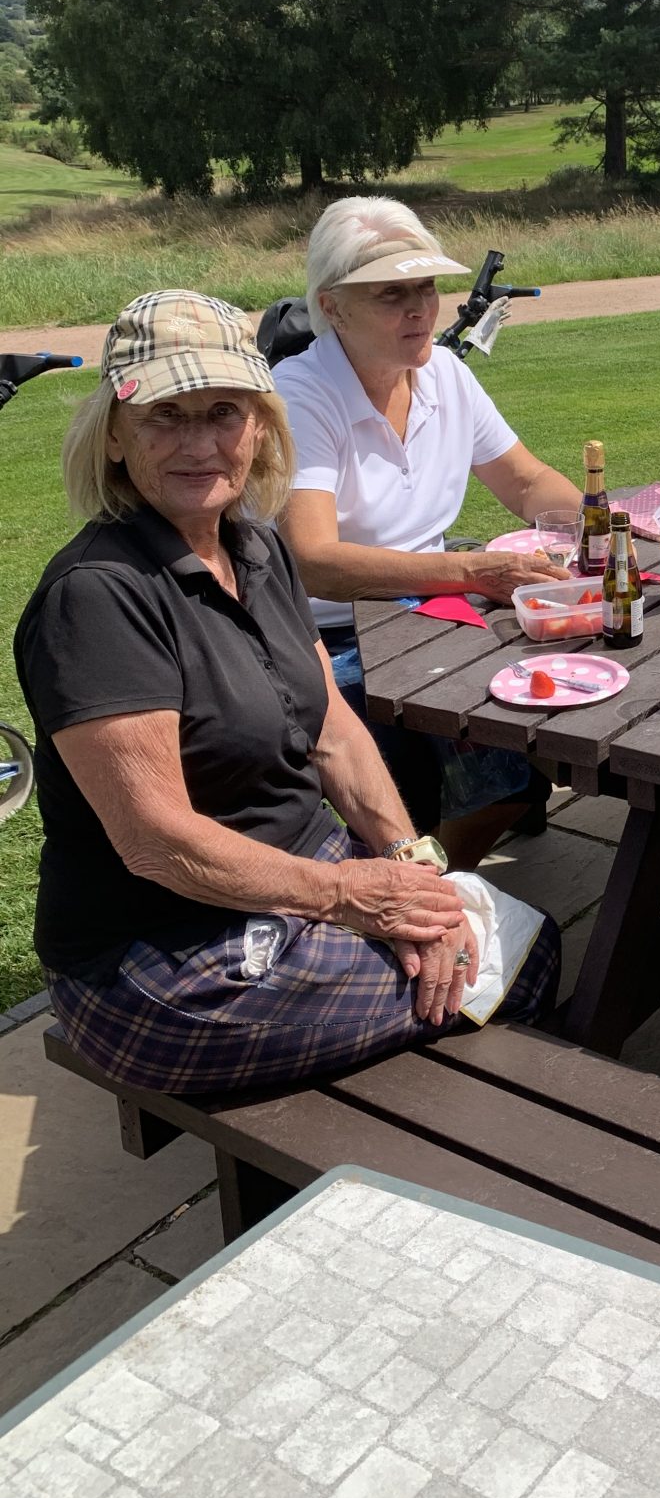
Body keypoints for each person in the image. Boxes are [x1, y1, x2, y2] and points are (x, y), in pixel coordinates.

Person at [16, 292, 560, 1096]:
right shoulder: (98, 598)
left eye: (223, 412)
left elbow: (334, 728)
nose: (199, 444)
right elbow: (158, 842)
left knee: (495, 944)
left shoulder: (257, 544)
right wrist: (351, 895)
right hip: (167, 957)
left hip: (298, 887)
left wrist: (411, 868)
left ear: (261, 426)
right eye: (166, 416)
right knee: (507, 967)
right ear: (116, 438)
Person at [273, 198, 583, 869]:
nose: (420, 308)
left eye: (426, 287)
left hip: (430, 608)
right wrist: (473, 575)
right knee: (487, 746)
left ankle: (449, 863)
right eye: (392, 294)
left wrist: (605, 521)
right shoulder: (301, 396)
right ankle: (432, 885)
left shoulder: (445, 373)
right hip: (324, 634)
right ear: (331, 307)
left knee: (550, 705)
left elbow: (526, 484)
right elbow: (313, 562)